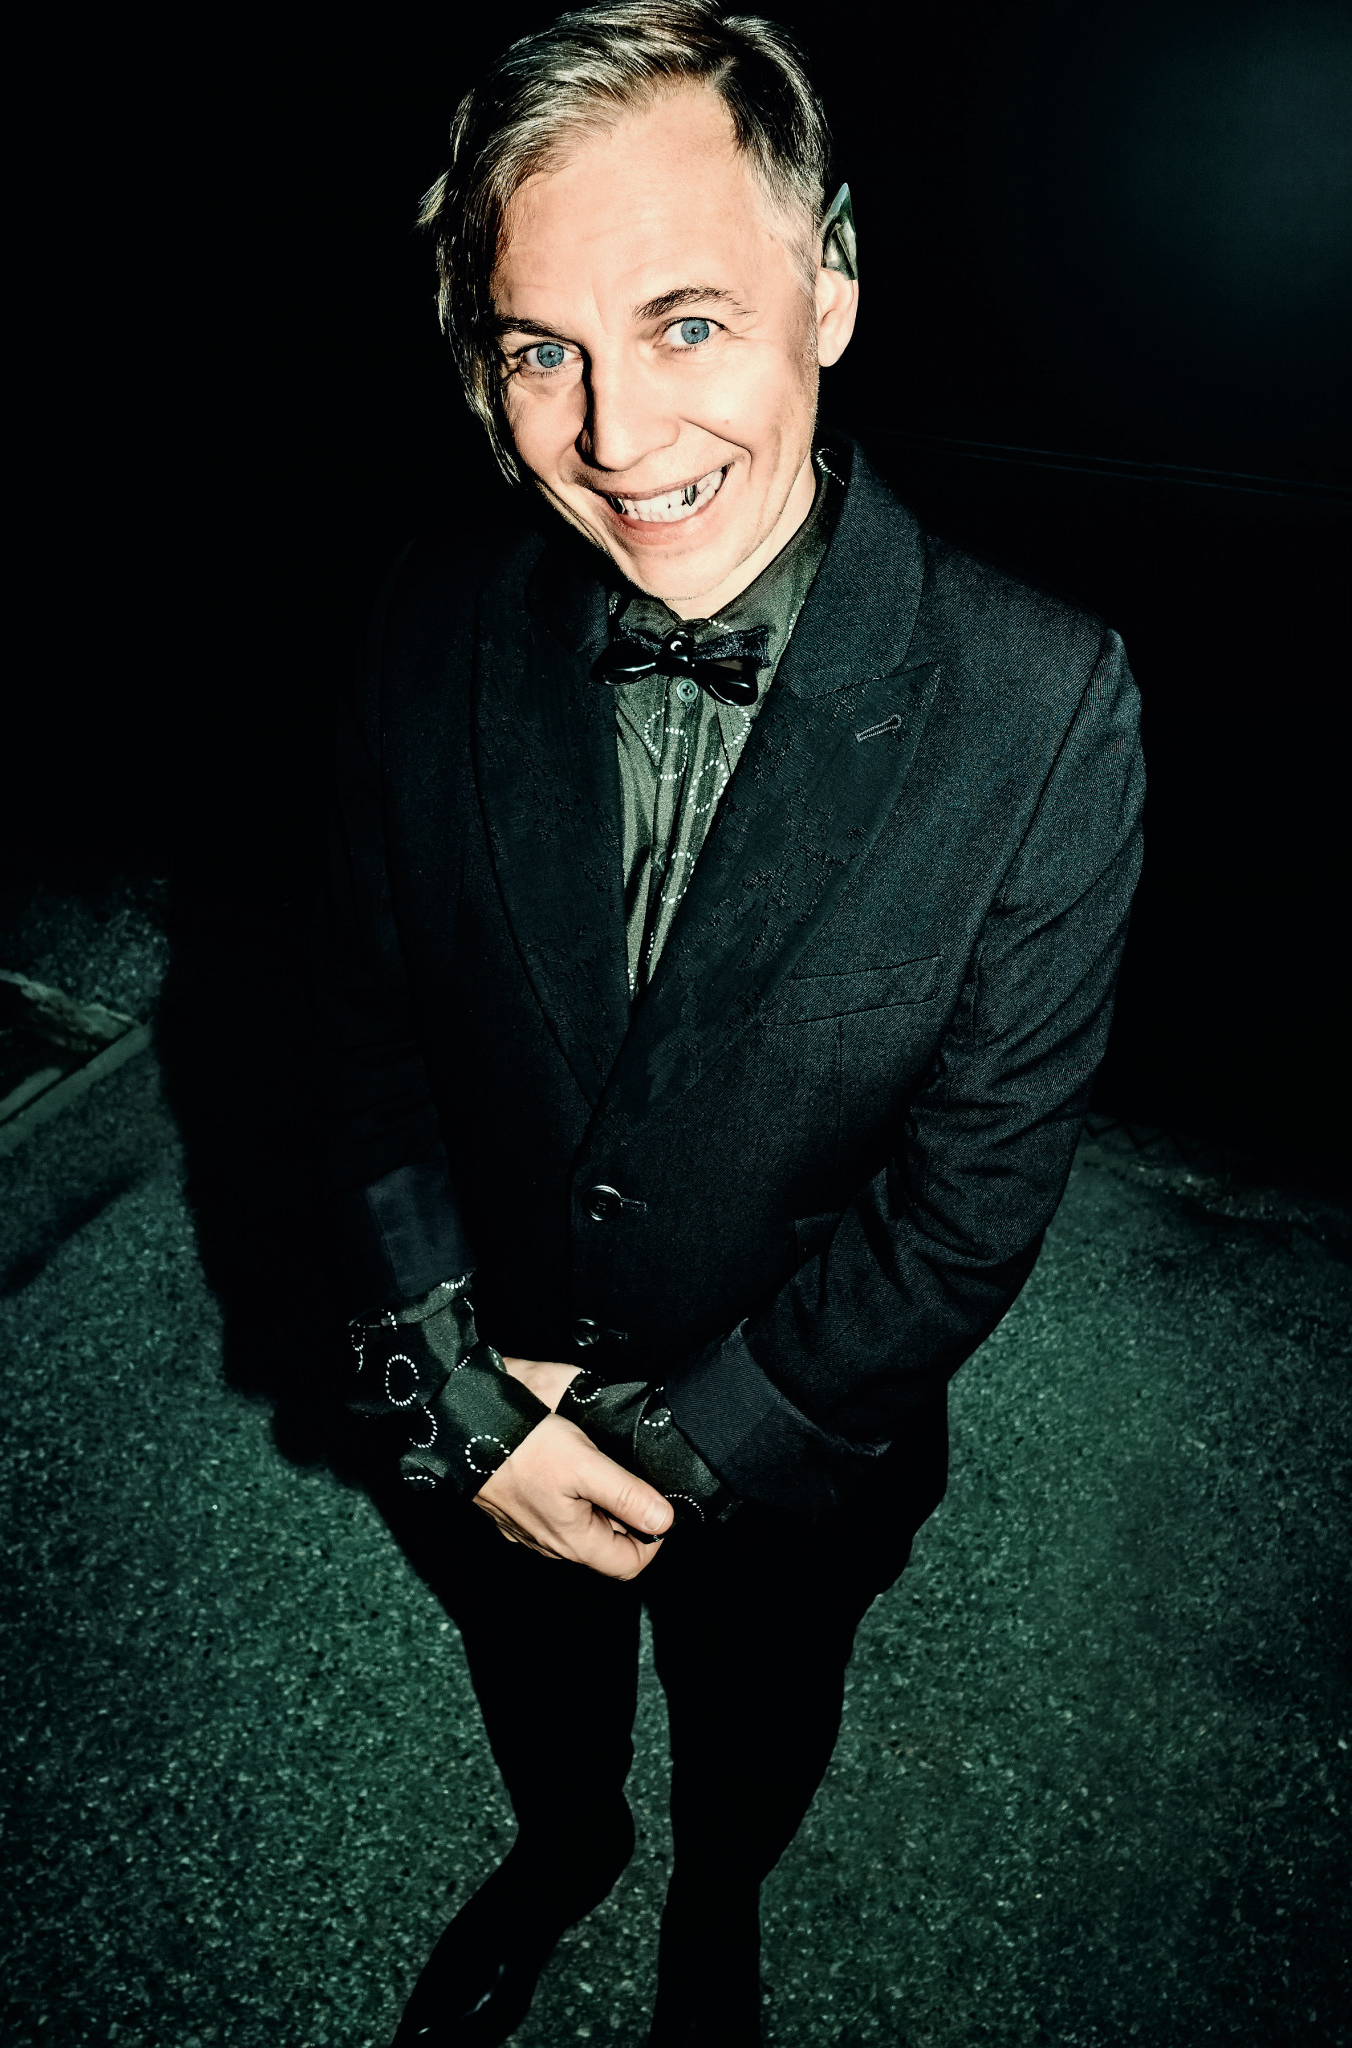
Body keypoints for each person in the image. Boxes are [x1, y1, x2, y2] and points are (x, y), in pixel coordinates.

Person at [309, 4, 1145, 2043]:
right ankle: (567, 1846)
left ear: (828, 287)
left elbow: (970, 1203)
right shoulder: (423, 613)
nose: (612, 435)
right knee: (536, 1678)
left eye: (686, 322)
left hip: (793, 1441)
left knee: (762, 1711)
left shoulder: (1044, 706)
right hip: (491, 1391)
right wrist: (459, 1397)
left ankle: (715, 1901)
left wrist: (667, 1443)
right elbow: (346, 1033)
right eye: (542, 350)